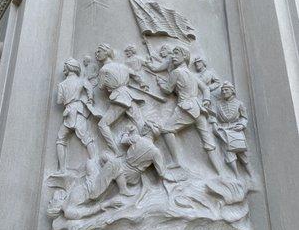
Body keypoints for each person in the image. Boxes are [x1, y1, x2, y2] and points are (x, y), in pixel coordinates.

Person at [156, 45, 220, 173]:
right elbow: (206, 88)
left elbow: (168, 90)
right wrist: (206, 100)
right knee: (207, 141)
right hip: (198, 107)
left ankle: (176, 162)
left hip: (186, 108)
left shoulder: (176, 72)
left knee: (167, 130)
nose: (173, 57)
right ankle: (220, 172)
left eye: (176, 54)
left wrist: (160, 83)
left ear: (184, 57)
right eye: (172, 54)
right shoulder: (192, 74)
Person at [95, 43, 146, 156]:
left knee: (102, 125)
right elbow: (136, 75)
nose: (97, 54)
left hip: (119, 97)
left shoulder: (104, 69)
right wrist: (142, 83)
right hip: (129, 95)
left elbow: (101, 86)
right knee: (140, 123)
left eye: (99, 51)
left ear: (106, 52)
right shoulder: (122, 66)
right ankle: (148, 146)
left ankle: (116, 152)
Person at [55, 58, 96, 173]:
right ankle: (94, 160)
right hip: (79, 111)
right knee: (86, 137)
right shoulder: (81, 81)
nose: (64, 70)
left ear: (68, 68)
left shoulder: (62, 84)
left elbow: (59, 101)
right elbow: (90, 89)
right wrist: (90, 99)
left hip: (69, 111)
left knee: (61, 139)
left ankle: (62, 169)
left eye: (65, 67)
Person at [210, 81, 251, 177]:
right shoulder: (218, 104)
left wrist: (242, 125)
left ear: (232, 91)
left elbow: (244, 117)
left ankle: (250, 175)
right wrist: (214, 124)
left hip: (236, 129)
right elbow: (213, 116)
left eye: (226, 90)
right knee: (228, 153)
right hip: (223, 130)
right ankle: (236, 175)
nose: (224, 92)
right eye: (222, 90)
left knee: (242, 153)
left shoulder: (239, 103)